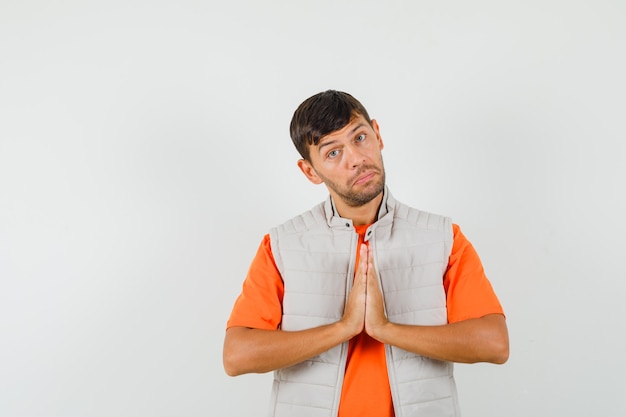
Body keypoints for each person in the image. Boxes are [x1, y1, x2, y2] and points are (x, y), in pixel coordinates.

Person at [223, 90, 509, 417]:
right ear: (310, 172)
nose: (357, 158)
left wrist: (385, 329)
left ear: (378, 133)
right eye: (333, 153)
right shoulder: (283, 246)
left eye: (360, 137)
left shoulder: (442, 238)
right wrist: (343, 327)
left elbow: (494, 344)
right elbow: (237, 356)